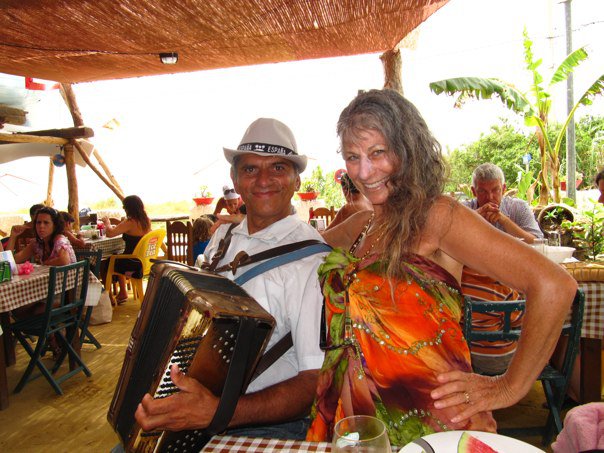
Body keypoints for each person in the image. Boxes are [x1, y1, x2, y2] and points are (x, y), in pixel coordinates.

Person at [306, 89, 576, 447]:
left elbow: (555, 286)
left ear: (407, 149)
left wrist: (508, 387)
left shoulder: (437, 216)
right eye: (352, 157)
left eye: (377, 153)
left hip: (433, 420)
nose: (364, 171)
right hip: (361, 420)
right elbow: (302, 245)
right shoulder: (363, 225)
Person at [134, 117, 327, 440]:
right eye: (250, 169)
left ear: (296, 180)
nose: (263, 179)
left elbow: (315, 381)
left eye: (278, 168)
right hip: (193, 407)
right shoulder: (222, 238)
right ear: (235, 180)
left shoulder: (312, 262)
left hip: (264, 425)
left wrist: (217, 411)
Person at [11, 207, 76, 323]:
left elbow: (64, 260)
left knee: (19, 310)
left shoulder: (60, 240)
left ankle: (52, 335)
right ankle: (52, 336)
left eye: (46, 223)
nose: (41, 226)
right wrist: (13, 236)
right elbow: (12, 260)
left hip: (66, 296)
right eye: (38, 222)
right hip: (47, 291)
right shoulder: (37, 243)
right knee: (16, 309)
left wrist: (44, 263)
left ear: (55, 225)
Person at [463, 163, 543, 243]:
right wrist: (473, 219)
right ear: (474, 191)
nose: (489, 197)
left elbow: (538, 241)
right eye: (482, 191)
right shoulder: (463, 209)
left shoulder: (519, 207)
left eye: (495, 190)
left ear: (504, 189)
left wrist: (505, 221)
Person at [102, 195, 152, 303]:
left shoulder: (130, 222)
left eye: (124, 207)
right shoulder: (146, 220)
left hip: (131, 263)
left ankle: (109, 297)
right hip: (143, 262)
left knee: (107, 262)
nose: (123, 209)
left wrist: (107, 223)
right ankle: (123, 292)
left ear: (128, 208)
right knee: (117, 257)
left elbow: (110, 233)